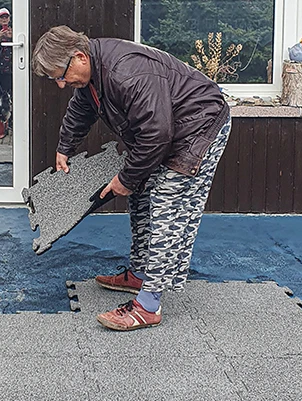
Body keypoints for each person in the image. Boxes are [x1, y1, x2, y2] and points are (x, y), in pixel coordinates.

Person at [31, 26, 231, 331]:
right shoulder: (92, 76)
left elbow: (156, 134)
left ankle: (149, 305)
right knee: (140, 195)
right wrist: (65, 148)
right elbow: (81, 109)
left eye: (61, 75)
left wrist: (124, 179)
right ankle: (139, 274)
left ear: (80, 57)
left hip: (199, 125)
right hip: (165, 127)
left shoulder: (126, 72)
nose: (60, 84)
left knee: (168, 205)